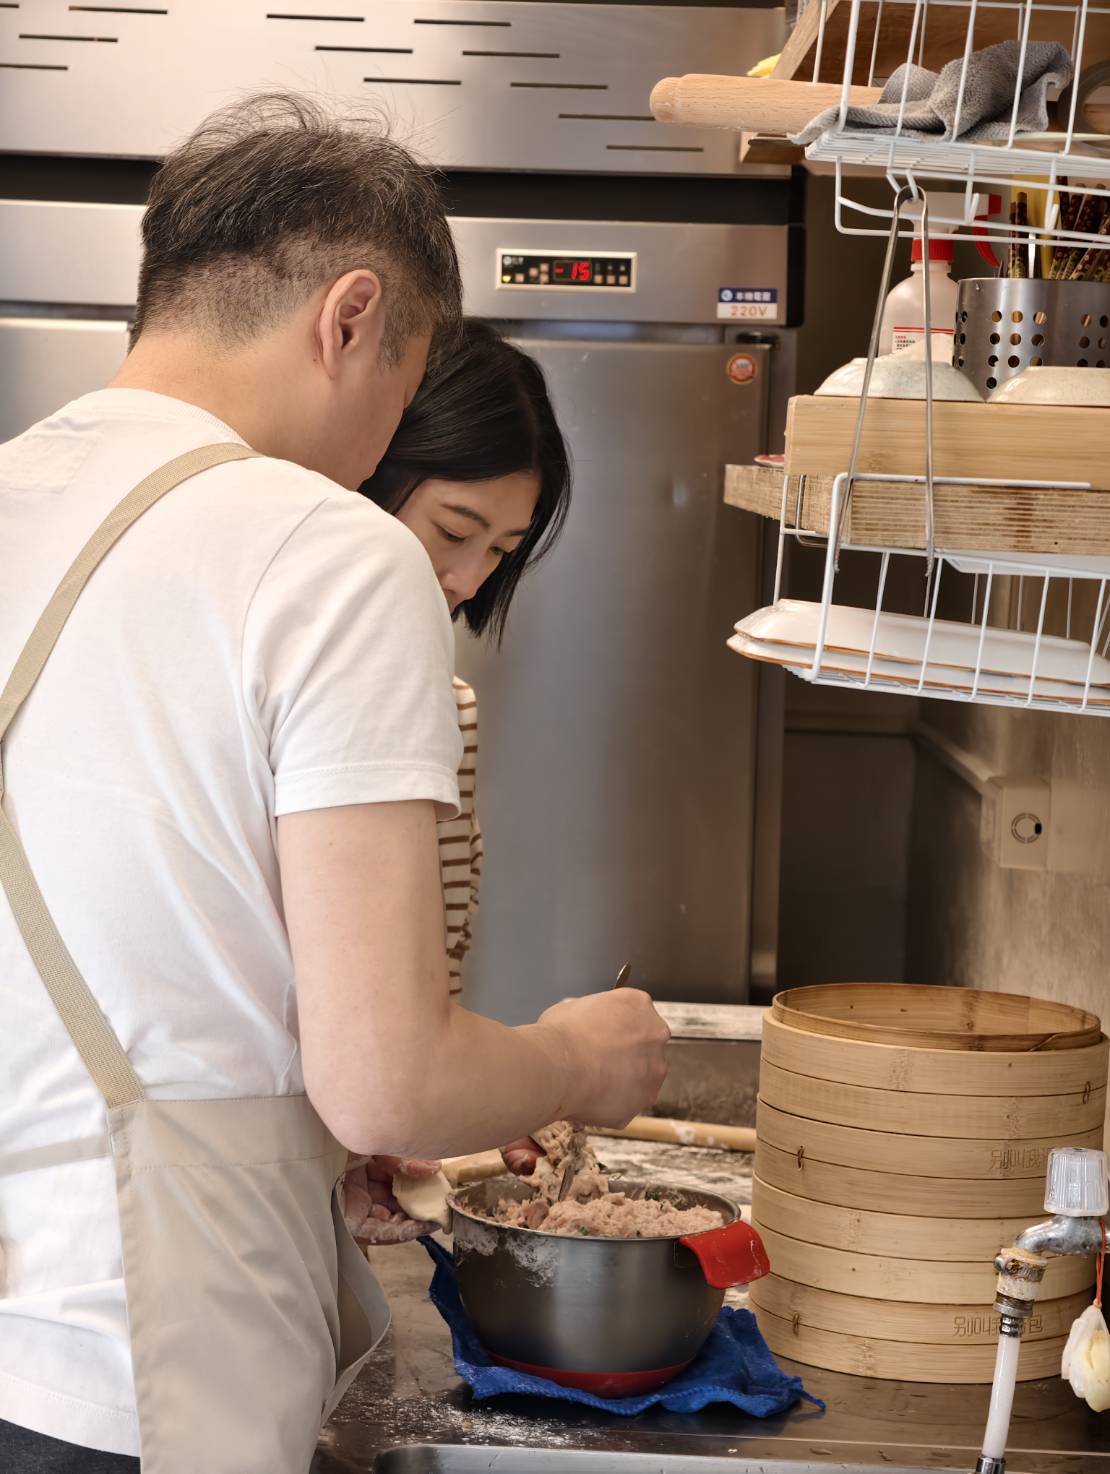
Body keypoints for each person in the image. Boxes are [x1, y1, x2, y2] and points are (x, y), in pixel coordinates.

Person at [0, 94, 669, 1474]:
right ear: (353, 316)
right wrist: (572, 1059)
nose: (375, 451)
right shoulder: (323, 548)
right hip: (135, 1366)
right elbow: (388, 1080)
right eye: (399, 385)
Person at [360, 319, 570, 1000]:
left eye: (502, 552)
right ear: (368, 476)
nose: (469, 580)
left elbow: (431, 988)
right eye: (453, 530)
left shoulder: (451, 708)